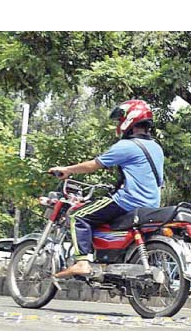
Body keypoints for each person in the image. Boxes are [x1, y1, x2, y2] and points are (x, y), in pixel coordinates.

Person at [49, 99, 164, 277]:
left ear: (129, 120)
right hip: (151, 205)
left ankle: (82, 263)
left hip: (128, 202)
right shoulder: (156, 148)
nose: (119, 125)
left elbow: (93, 165)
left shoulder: (126, 146)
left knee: (77, 215)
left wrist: (67, 170)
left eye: (120, 120)